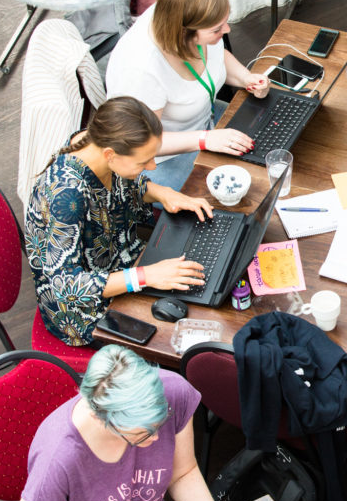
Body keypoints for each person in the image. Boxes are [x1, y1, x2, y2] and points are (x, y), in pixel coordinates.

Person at [25, 97, 211, 348]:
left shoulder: (95, 143)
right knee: (186, 338)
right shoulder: (66, 195)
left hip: (122, 262)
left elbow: (126, 184)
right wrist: (145, 276)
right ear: (110, 155)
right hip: (86, 310)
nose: (152, 166)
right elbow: (65, 287)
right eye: (143, 162)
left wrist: (163, 192)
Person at [10, 345, 230, 501]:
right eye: (142, 433)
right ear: (101, 418)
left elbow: (183, 473)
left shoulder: (174, 392)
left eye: (159, 423)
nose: (156, 437)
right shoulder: (56, 461)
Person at [106, 0, 270, 191]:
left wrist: (246, 77)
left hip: (204, 124)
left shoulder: (182, 16)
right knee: (242, 190)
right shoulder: (141, 71)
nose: (227, 30)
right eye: (217, 29)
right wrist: (205, 140)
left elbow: (215, 54)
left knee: (268, 145)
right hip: (160, 157)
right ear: (184, 33)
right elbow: (142, 142)